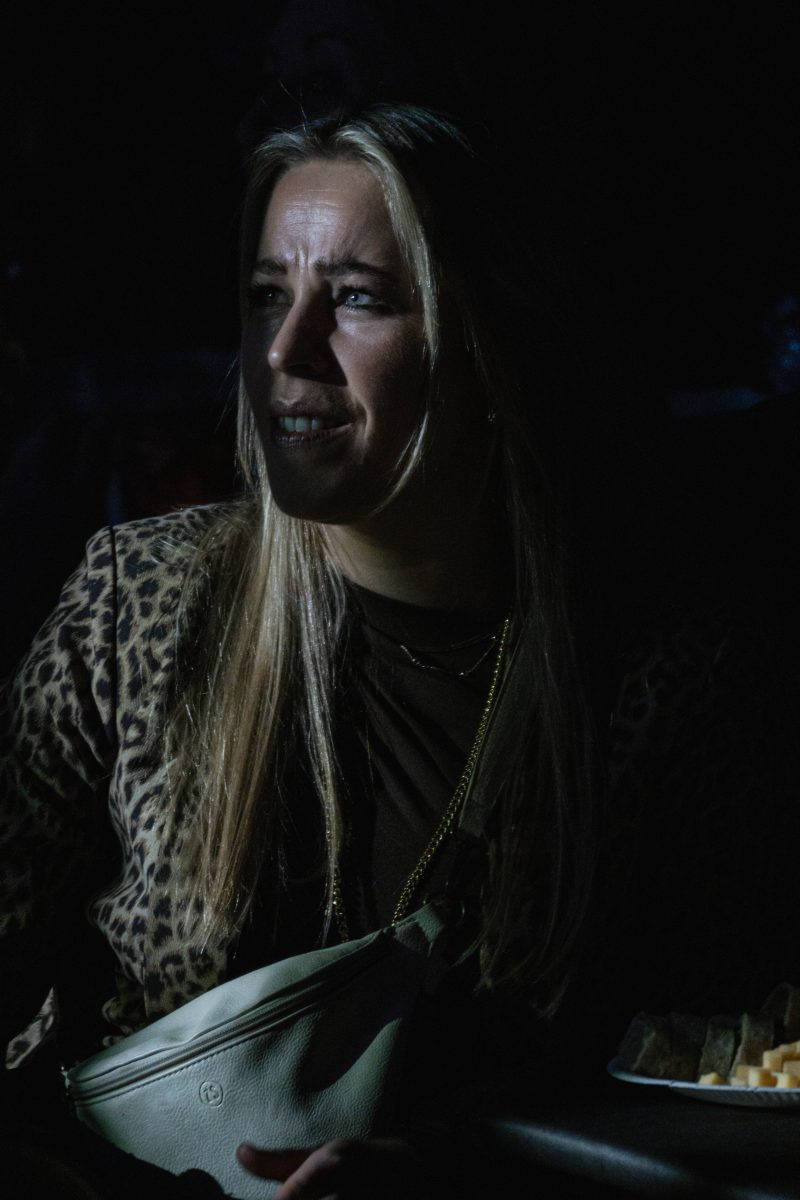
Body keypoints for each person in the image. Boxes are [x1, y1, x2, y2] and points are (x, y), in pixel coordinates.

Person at [5, 103, 795, 1199]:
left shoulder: (666, 677)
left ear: (486, 340)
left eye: (358, 299)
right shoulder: (134, 606)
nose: (285, 351)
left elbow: (729, 1078)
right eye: (268, 295)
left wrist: (464, 1174)